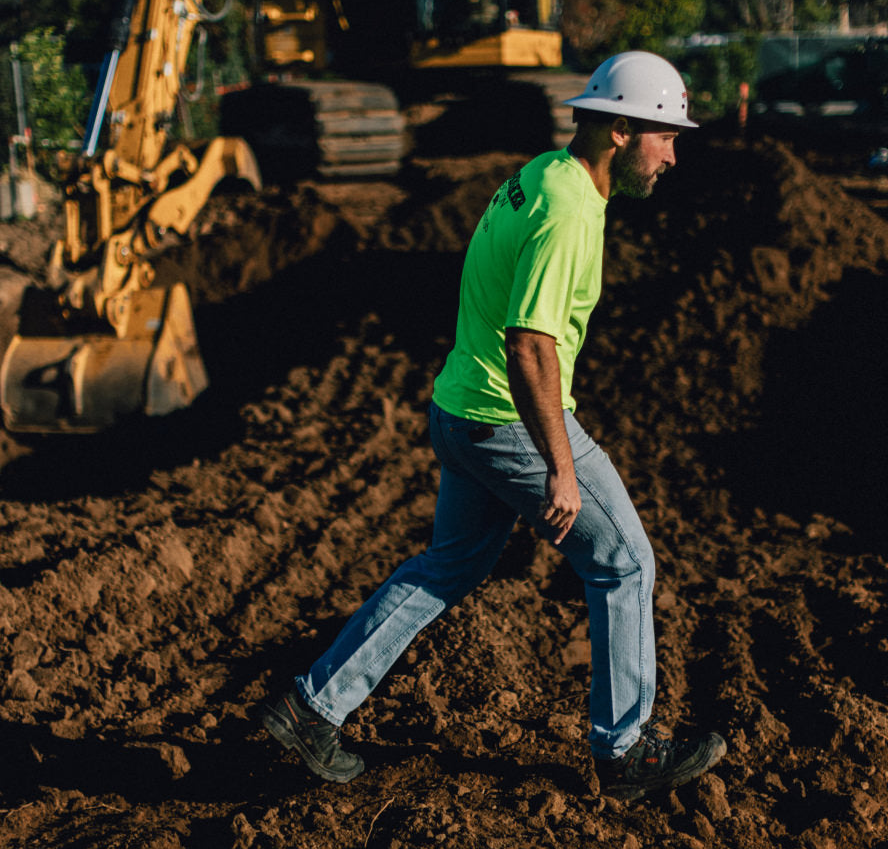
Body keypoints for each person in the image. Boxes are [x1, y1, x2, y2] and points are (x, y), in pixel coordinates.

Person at [262, 51, 727, 802]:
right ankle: (626, 749)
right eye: (663, 135)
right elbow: (530, 343)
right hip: (507, 416)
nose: (671, 154)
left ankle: (309, 707)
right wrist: (561, 466)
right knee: (624, 562)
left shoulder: (542, 174)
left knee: (447, 566)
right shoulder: (570, 212)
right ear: (616, 130)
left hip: (461, 409)